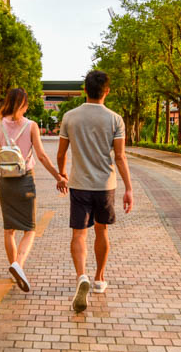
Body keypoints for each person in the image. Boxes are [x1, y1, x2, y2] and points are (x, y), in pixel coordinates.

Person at [57, 70, 134, 313]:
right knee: (102, 231)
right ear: (107, 91)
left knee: (79, 235)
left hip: (79, 184)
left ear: (84, 90)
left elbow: (61, 153)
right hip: (105, 186)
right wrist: (129, 188)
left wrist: (62, 174)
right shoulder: (115, 119)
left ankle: (82, 276)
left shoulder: (70, 117)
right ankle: (99, 278)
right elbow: (120, 157)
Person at [0, 88, 68, 292]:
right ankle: (18, 264)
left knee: (9, 229)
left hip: (5, 183)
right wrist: (59, 177)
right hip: (26, 180)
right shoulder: (31, 126)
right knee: (29, 229)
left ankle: (13, 268)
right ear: (24, 105)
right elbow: (42, 156)